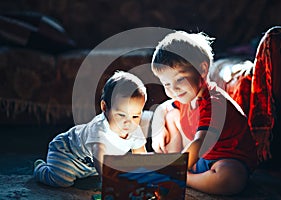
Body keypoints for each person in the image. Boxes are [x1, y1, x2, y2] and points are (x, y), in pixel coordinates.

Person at [150, 30, 258, 195]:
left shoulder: (214, 103)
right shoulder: (186, 95)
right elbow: (164, 107)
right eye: (166, 84)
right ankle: (175, 167)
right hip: (200, 160)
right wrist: (158, 127)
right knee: (170, 116)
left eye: (179, 79)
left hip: (227, 159)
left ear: (202, 69)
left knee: (229, 178)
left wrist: (176, 171)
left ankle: (182, 176)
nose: (174, 89)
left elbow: (201, 144)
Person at [33, 71, 147, 187]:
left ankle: (88, 172)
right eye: (121, 115)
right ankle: (41, 169)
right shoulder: (99, 128)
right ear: (104, 107)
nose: (128, 122)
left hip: (89, 165)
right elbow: (99, 155)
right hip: (68, 152)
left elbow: (140, 154)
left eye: (135, 116)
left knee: (115, 170)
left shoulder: (135, 130)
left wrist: (145, 174)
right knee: (62, 180)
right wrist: (108, 181)